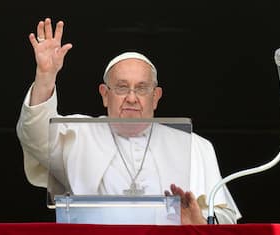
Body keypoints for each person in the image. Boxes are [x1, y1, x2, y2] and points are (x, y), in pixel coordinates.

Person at [16, 18, 241, 224]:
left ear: (156, 97)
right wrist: (45, 77)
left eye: (142, 88)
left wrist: (200, 222)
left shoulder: (194, 146)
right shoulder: (77, 134)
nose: (131, 98)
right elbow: (34, 136)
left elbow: (225, 218)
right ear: (105, 94)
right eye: (122, 87)